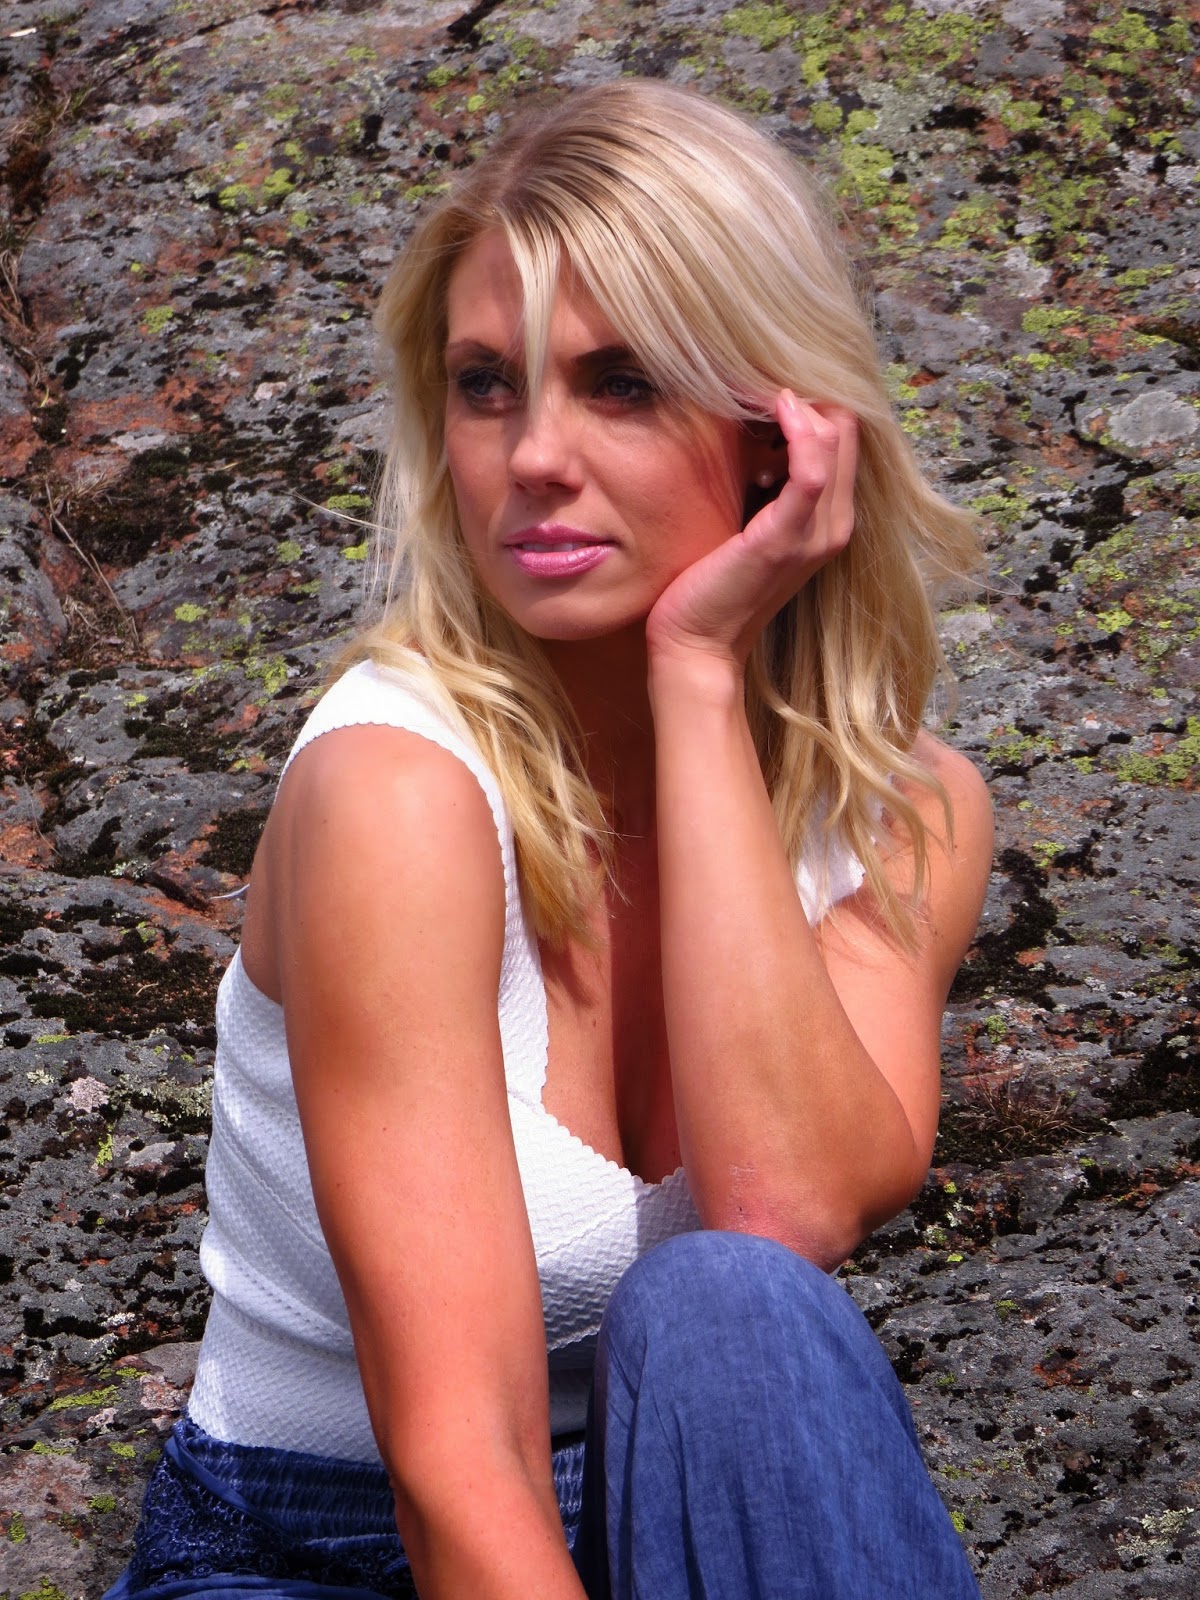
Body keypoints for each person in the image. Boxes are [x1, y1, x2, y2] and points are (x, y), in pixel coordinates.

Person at [106, 79, 993, 1600]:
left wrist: (697, 675)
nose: (533, 457)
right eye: (486, 386)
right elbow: (462, 1472)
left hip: (669, 1501)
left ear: (781, 431)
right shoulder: (396, 795)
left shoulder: (904, 816)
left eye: (622, 382)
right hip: (324, 1545)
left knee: (734, 1312)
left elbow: (780, 1211)